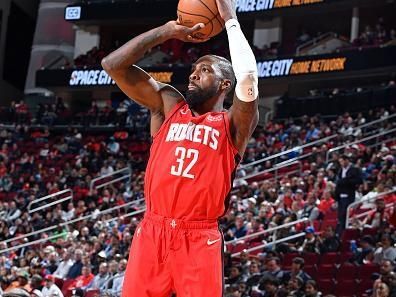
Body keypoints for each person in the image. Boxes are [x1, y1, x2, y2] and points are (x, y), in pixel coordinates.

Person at [101, 0, 259, 295]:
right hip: (152, 230)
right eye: (194, 69)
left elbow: (248, 77)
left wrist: (230, 19)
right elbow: (112, 65)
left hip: (199, 237)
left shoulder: (233, 123)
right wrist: (166, 31)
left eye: (205, 70)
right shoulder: (168, 105)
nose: (194, 74)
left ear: (225, 84)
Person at [334, 154, 363, 234]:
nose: (341, 163)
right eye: (340, 162)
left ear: (347, 160)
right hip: (340, 195)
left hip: (348, 194)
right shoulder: (340, 170)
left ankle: (342, 232)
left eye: (342, 161)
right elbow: (339, 182)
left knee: (344, 214)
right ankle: (339, 232)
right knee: (340, 215)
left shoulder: (354, 169)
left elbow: (359, 180)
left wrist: (346, 181)